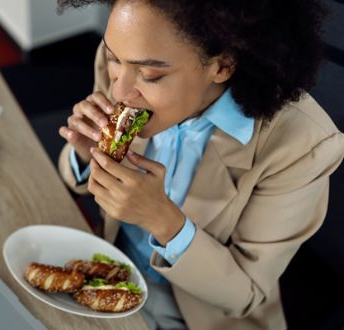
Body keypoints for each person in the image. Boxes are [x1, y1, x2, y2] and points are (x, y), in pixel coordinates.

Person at [56, 0, 344, 329]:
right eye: (112, 59)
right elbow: (76, 178)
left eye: (151, 75)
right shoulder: (127, 56)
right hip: (113, 267)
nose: (120, 90)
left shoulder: (303, 145)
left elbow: (245, 294)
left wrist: (162, 220)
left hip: (198, 315)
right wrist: (85, 154)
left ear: (222, 66)